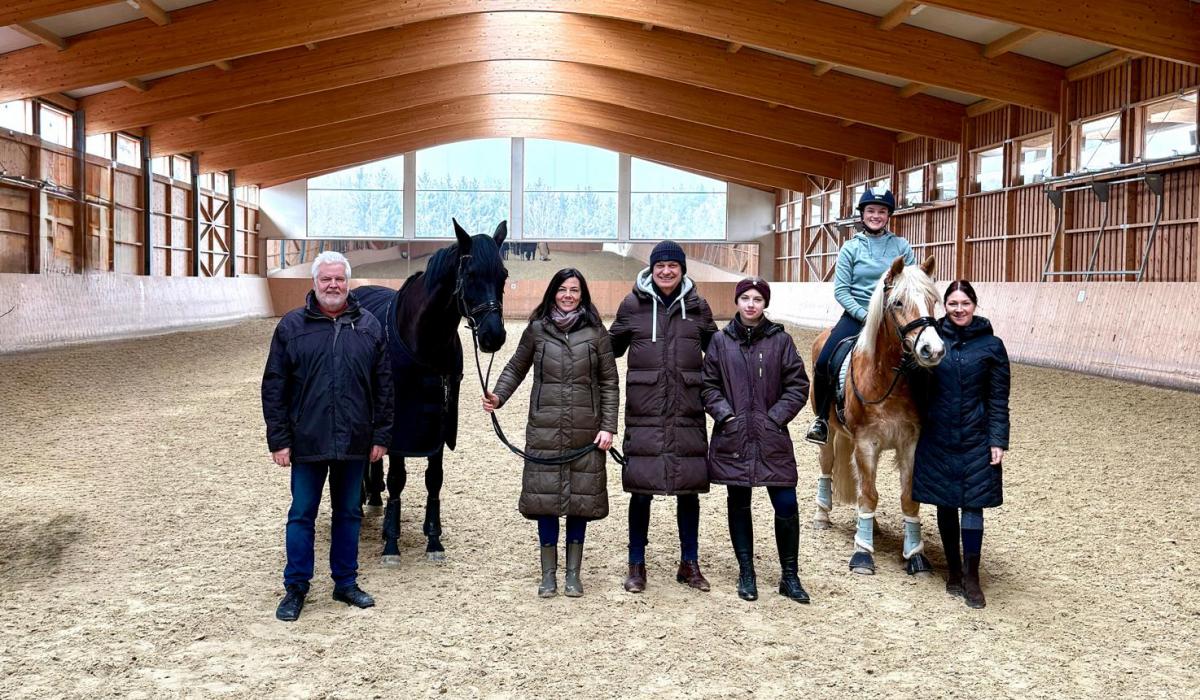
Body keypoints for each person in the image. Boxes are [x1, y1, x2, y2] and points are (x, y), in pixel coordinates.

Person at [261, 251, 393, 622]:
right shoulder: (292, 327)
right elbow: (274, 386)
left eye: (339, 279)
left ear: (348, 283)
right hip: (308, 440)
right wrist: (279, 439)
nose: (333, 285)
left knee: (348, 514)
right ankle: (296, 587)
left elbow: (384, 385)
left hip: (354, 440)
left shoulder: (369, 326)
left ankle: (345, 582)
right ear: (315, 282)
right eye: (326, 279)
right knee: (302, 514)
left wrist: (381, 435)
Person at [482, 269, 619, 598]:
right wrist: (498, 396)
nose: (568, 295)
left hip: (585, 431)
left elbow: (609, 382)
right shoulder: (537, 329)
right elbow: (516, 367)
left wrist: (608, 426)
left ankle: (573, 574)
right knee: (545, 501)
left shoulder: (597, 332)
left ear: (582, 294)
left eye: (574, 290)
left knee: (580, 502)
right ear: (552, 293)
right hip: (545, 428)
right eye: (562, 289)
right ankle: (548, 575)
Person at [610, 240, 718, 593]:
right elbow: (609, 349)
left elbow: (719, 355)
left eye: (673, 266)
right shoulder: (632, 305)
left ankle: (690, 562)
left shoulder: (698, 306)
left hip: (687, 411)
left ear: (682, 270)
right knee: (641, 491)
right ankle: (636, 564)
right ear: (652, 269)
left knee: (689, 491)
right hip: (645, 411)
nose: (667, 271)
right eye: (661, 266)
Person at [702, 278, 812, 603]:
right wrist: (726, 416)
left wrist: (775, 418)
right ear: (737, 302)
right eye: (746, 298)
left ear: (765, 304)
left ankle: (789, 575)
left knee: (786, 503)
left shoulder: (781, 341)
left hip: (771, 437)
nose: (751, 304)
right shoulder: (720, 342)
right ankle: (746, 571)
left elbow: (798, 385)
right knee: (739, 502)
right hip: (734, 437)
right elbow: (708, 386)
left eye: (758, 299)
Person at [911, 280, 1011, 609]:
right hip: (938, 435)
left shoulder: (992, 347)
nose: (959, 309)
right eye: (953, 304)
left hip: (975, 436)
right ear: (945, 306)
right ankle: (953, 569)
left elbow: (998, 398)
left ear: (974, 305)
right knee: (945, 504)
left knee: (972, 505)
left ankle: (971, 576)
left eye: (964, 303)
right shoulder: (932, 340)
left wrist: (998, 440)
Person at [806, 189, 916, 445]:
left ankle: (923, 416)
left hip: (895, 319)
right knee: (825, 360)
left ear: (888, 215)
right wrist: (866, 316)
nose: (876, 216)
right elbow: (841, 291)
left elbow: (912, 284)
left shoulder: (901, 246)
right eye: (871, 211)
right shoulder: (850, 248)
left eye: (882, 211)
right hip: (858, 317)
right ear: (862, 214)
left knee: (923, 361)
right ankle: (822, 419)